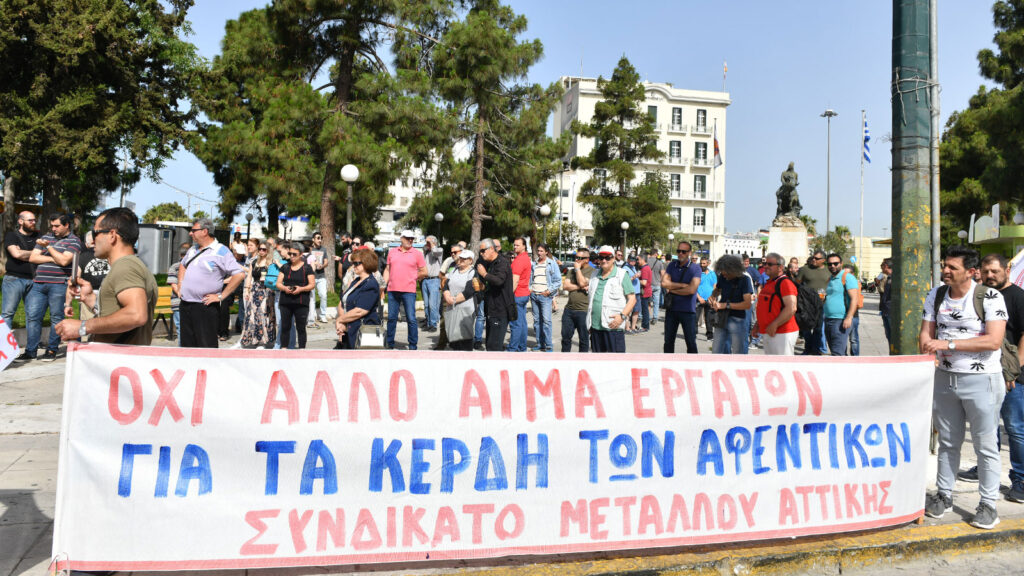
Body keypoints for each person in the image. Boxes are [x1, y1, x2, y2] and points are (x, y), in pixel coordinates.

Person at [921, 245, 1007, 530]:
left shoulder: (990, 297)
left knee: (985, 445)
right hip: (945, 379)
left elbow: (994, 340)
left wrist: (948, 345)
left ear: (971, 272)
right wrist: (927, 349)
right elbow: (926, 332)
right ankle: (943, 495)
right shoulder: (936, 294)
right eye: (945, 265)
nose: (945, 270)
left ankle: (988, 504)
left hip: (982, 381)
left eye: (952, 267)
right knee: (948, 441)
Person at [957, 254, 1024, 496]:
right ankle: (985, 468)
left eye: (994, 271)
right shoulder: (981, 295)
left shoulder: (1018, 297)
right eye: (985, 272)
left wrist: (1013, 370)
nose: (989, 276)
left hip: (1013, 378)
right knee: (986, 426)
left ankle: (1020, 479)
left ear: (1007, 269)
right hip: (984, 373)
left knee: (1015, 428)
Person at [53, 207, 158, 346]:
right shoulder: (130, 265)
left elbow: (136, 315)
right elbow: (118, 312)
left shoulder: (125, 266)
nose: (92, 240)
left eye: (95, 233)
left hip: (119, 362)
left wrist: (83, 326)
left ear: (112, 235)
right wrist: (90, 299)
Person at [20, 213, 82, 362]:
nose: (53, 229)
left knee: (56, 318)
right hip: (38, 284)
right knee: (33, 317)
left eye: (57, 226)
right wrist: (54, 256)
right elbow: (33, 258)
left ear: (67, 225)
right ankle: (31, 351)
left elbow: (64, 261)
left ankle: (52, 350)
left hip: (59, 285)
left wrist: (48, 248)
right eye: (52, 226)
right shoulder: (46, 237)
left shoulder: (74, 241)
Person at [178, 218, 244, 348]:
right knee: (187, 347)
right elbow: (183, 265)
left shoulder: (221, 251)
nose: (190, 233)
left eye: (193, 230)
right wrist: (180, 284)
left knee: (206, 346)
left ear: (204, 231)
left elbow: (239, 274)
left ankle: (206, 369)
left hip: (205, 307)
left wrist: (221, 296)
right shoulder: (192, 250)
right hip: (186, 305)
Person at [382, 230, 427, 350]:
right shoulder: (392, 252)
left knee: (411, 318)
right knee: (391, 318)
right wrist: (382, 286)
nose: (410, 240)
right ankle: (390, 343)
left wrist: (413, 277)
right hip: (392, 290)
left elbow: (424, 271)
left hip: (409, 291)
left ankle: (413, 345)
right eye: (407, 238)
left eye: (412, 238)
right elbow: (387, 270)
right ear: (401, 238)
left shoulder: (417, 253)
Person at [587, 245, 635, 353]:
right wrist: (589, 322)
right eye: (601, 257)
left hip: (614, 328)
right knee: (598, 363)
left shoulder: (622, 275)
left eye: (607, 257)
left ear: (613, 259)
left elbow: (632, 299)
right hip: (595, 328)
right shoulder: (594, 275)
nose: (604, 260)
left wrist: (622, 317)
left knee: (617, 364)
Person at [3, 211, 39, 351]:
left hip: (34, 280)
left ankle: (31, 351)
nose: (33, 222)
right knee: (7, 314)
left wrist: (25, 253)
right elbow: (16, 254)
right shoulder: (12, 235)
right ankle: (4, 351)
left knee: (33, 316)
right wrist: (35, 253)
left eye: (34, 220)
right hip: (14, 279)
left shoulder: (39, 236)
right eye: (30, 220)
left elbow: (44, 254)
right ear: (20, 221)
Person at [752, 253, 799, 355]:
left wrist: (775, 324)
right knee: (772, 366)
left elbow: (791, 308)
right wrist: (758, 324)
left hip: (783, 333)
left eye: (770, 264)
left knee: (783, 367)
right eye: (765, 264)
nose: (766, 266)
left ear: (780, 267)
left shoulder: (785, 283)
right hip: (769, 332)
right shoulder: (770, 282)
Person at [334, 249, 381, 349]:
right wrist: (342, 324)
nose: (353, 266)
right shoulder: (356, 281)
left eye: (356, 263)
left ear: (366, 263)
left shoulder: (371, 284)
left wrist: (340, 320)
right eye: (352, 263)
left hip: (363, 333)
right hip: (349, 330)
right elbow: (342, 301)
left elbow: (360, 311)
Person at [661, 241, 701, 354]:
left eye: (684, 251)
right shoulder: (672, 265)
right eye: (679, 251)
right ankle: (668, 367)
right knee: (668, 342)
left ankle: (693, 369)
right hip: (671, 310)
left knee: (691, 343)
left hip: (688, 311)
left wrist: (672, 289)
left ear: (689, 253)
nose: (680, 253)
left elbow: (692, 290)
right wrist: (682, 286)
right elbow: (664, 283)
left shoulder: (695, 268)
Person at [709, 255, 753, 354]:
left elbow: (747, 304)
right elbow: (718, 290)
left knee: (738, 351)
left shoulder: (744, 280)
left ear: (733, 269)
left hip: (737, 319)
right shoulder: (722, 277)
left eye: (725, 272)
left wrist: (726, 305)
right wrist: (713, 296)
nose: (723, 274)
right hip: (722, 317)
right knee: (717, 351)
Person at [477, 238, 515, 352]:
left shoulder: (502, 262)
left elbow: (499, 280)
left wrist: (484, 274)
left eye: (483, 250)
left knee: (495, 347)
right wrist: (482, 286)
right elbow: (491, 285)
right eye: (480, 251)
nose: (481, 253)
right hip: (491, 309)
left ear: (492, 249)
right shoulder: (490, 263)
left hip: (500, 310)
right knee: (490, 345)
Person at [275, 242, 315, 349]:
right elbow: (278, 283)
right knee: (285, 326)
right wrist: (284, 288)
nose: (291, 256)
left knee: (301, 328)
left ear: (301, 254)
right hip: (286, 301)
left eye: (294, 254)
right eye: (290, 253)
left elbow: (312, 285)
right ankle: (284, 348)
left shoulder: (307, 268)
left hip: (301, 302)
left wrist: (301, 289)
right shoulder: (285, 267)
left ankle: (302, 349)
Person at [239, 241, 276, 348]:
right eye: (260, 249)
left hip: (267, 290)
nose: (261, 251)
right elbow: (249, 276)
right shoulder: (254, 261)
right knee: (251, 315)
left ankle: (265, 340)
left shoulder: (271, 263)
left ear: (268, 250)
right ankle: (252, 339)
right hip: (255, 290)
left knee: (264, 314)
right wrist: (246, 290)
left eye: (264, 249)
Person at [441, 250, 478, 351]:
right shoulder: (453, 270)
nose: (461, 260)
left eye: (464, 258)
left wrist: (453, 300)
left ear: (470, 261)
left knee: (464, 336)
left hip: (465, 309)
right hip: (451, 306)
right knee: (452, 335)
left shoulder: (473, 272)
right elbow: (446, 284)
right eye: (460, 257)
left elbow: (469, 291)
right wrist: (447, 295)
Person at [822, 254, 858, 356]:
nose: (832, 266)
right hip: (828, 319)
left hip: (840, 320)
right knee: (835, 350)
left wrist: (849, 317)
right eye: (829, 264)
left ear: (841, 264)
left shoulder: (847, 277)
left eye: (835, 263)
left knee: (837, 353)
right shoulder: (830, 278)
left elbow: (854, 299)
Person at [71, 231, 111, 323]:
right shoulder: (109, 254)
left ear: (88, 243)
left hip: (89, 294)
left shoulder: (81, 257)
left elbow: (75, 277)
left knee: (88, 327)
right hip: (108, 293)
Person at [795, 250, 830, 355]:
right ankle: (808, 347)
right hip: (806, 304)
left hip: (821, 304)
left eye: (817, 258)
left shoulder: (828, 271)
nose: (813, 259)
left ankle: (815, 349)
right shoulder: (805, 269)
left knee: (818, 329)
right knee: (805, 328)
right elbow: (797, 284)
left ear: (823, 260)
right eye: (813, 257)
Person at [562, 247, 594, 353]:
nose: (576, 260)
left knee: (584, 340)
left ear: (587, 259)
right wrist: (581, 286)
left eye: (579, 258)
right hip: (569, 310)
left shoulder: (593, 272)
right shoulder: (571, 271)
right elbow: (566, 286)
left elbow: (581, 282)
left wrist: (578, 270)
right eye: (575, 257)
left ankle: (582, 365)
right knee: (566, 339)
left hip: (583, 311)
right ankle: (564, 362)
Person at [530, 243, 561, 351]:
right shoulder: (534, 264)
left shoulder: (551, 264)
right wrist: (531, 288)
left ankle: (548, 345)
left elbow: (558, 281)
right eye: (538, 251)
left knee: (546, 321)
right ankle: (540, 344)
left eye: (541, 251)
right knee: (537, 322)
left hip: (545, 297)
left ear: (546, 252)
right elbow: (531, 278)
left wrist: (549, 291)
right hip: (534, 296)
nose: (539, 253)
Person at [508, 237, 531, 352]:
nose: (515, 247)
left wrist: (508, 296)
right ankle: (522, 347)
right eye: (514, 245)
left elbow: (515, 280)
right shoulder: (526, 258)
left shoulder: (519, 260)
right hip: (523, 294)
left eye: (517, 245)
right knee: (521, 323)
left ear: (524, 246)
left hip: (517, 294)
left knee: (515, 324)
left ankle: (513, 348)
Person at [166, 242, 190, 344]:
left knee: (183, 328)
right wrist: (181, 294)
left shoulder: (193, 266)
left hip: (186, 301)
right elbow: (173, 284)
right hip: (179, 301)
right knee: (182, 327)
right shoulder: (176, 266)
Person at [420, 235, 444, 333]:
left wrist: (432, 244)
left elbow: (435, 252)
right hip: (425, 280)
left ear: (434, 242)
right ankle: (428, 322)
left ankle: (433, 324)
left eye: (428, 242)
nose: (427, 244)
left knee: (432, 304)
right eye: (426, 242)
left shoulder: (438, 250)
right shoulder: (426, 252)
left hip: (434, 280)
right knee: (426, 304)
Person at [307, 232, 329, 325]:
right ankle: (311, 316)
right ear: (313, 239)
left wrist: (322, 266)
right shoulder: (310, 249)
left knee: (323, 295)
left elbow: (326, 262)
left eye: (321, 238)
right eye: (318, 238)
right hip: (311, 276)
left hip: (321, 276)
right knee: (312, 298)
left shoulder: (323, 249)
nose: (320, 240)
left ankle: (323, 315)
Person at [842, 263, 862, 356]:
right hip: (841, 314)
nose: (845, 276)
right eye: (843, 274)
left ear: (852, 274)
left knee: (853, 338)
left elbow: (857, 300)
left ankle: (855, 357)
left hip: (853, 315)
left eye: (847, 274)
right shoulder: (841, 283)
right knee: (842, 338)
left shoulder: (855, 285)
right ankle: (843, 355)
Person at [695, 257, 717, 340]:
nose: (702, 265)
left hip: (709, 299)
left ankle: (710, 335)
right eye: (701, 263)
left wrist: (713, 297)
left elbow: (715, 286)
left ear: (708, 264)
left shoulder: (712, 274)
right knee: (695, 318)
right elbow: (694, 286)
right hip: (699, 299)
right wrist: (699, 297)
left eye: (704, 263)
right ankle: (693, 334)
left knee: (709, 319)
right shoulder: (697, 273)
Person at [878, 258, 894, 347]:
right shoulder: (888, 277)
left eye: (882, 266)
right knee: (888, 335)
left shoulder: (894, 277)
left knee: (891, 336)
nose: (881, 268)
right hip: (886, 310)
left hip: (890, 311)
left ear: (886, 266)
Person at [647, 250, 665, 324]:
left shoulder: (646, 261)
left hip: (648, 285)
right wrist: (660, 281)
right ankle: (655, 318)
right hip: (657, 285)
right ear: (656, 254)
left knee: (647, 302)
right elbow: (663, 274)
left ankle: (646, 317)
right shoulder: (660, 262)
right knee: (656, 303)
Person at [637, 255, 653, 332]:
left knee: (645, 310)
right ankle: (645, 326)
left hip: (645, 292)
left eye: (638, 259)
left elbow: (644, 282)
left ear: (643, 260)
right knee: (645, 309)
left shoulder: (645, 269)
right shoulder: (646, 268)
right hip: (647, 291)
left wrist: (636, 279)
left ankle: (645, 326)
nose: (637, 261)